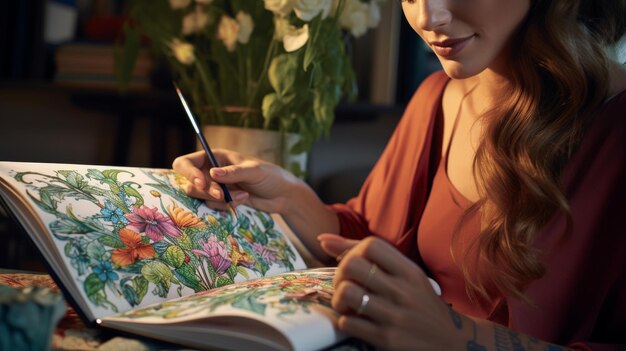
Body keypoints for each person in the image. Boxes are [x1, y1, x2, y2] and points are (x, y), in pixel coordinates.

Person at [173, 0, 626, 349]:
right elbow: (372, 236)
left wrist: (454, 337)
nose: (429, 17)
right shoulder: (437, 100)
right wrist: (287, 194)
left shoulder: (614, 130)